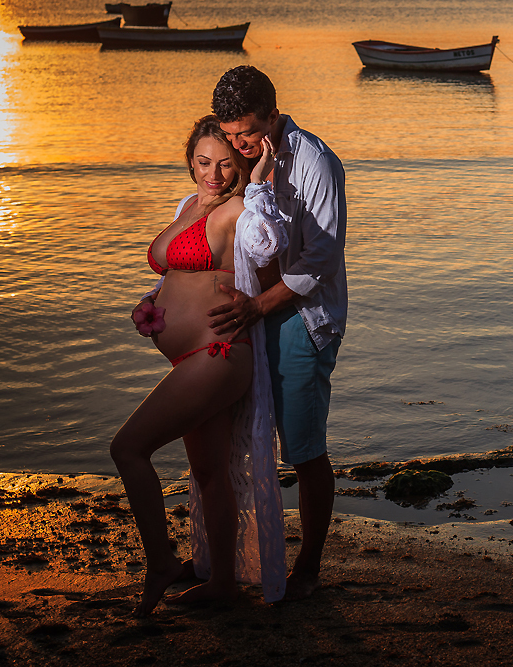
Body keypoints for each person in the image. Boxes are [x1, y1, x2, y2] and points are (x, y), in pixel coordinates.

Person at [112, 116, 288, 616]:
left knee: (128, 448)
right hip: (192, 355)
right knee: (209, 472)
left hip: (219, 355)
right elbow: (177, 271)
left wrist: (258, 185)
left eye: (226, 164)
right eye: (204, 161)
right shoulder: (189, 204)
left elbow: (269, 245)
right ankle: (223, 584)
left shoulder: (240, 209)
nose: (213, 173)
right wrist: (152, 302)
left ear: (240, 165)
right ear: (190, 159)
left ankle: (162, 564)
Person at [208, 65, 348, 602]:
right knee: (246, 437)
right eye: (230, 134)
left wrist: (258, 306)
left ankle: (308, 568)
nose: (238, 144)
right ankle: (240, 559)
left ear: (272, 114)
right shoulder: (245, 160)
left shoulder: (314, 161)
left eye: (246, 133)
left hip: (302, 319)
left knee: (303, 447)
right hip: (255, 312)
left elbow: (320, 259)